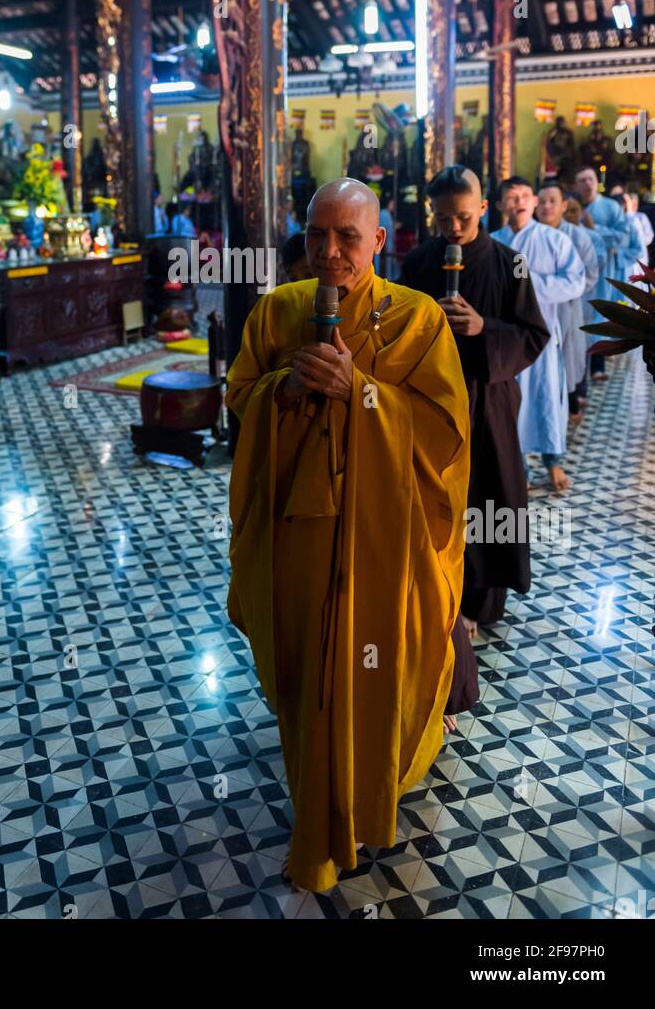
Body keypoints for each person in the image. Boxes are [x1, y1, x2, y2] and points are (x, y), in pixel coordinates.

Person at [226, 178, 471, 893]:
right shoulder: (276, 312)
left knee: (375, 668)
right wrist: (288, 389)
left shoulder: (417, 321)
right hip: (297, 538)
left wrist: (358, 390)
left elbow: (442, 435)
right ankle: (318, 810)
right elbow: (239, 400)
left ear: (379, 243)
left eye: (347, 238)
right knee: (308, 676)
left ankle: (372, 791)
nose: (329, 253)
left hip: (380, 543)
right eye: (316, 236)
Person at [401, 167, 550, 641]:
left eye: (462, 217)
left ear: (484, 208)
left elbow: (534, 334)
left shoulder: (511, 263)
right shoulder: (419, 262)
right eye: (443, 219)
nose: (453, 230)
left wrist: (485, 329)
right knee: (437, 497)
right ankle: (434, 592)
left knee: (489, 493)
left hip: (489, 398)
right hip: (431, 401)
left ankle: (481, 601)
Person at [493, 177, 586, 493]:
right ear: (500, 205)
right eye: (510, 196)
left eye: (524, 195)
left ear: (534, 202)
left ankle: (553, 461)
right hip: (504, 340)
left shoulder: (554, 241)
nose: (518, 201)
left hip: (541, 337)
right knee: (509, 403)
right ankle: (517, 466)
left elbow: (575, 280)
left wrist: (530, 287)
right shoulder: (492, 242)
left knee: (547, 398)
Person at [536, 184, 599, 428]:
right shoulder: (528, 237)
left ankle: (570, 405)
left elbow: (590, 274)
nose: (547, 207)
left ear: (564, 205)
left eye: (552, 201)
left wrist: (559, 289)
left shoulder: (577, 237)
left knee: (567, 362)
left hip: (567, 309)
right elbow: (519, 275)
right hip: (533, 310)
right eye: (542, 202)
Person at [576, 167, 636, 382]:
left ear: (597, 181)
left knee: (599, 316)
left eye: (590, 178)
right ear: (576, 186)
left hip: (604, 272)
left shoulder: (610, 207)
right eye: (582, 180)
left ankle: (597, 367)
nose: (587, 183)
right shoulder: (574, 207)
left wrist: (595, 228)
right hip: (578, 274)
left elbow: (624, 238)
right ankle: (581, 373)